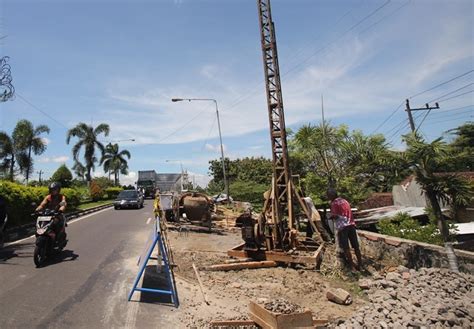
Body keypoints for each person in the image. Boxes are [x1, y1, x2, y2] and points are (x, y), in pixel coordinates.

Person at [326, 188, 362, 271]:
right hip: (351, 225)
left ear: (331, 196)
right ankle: (360, 264)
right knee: (356, 247)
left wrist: (330, 217)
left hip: (343, 227)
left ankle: (352, 266)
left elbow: (335, 215)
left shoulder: (334, 203)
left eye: (328, 196)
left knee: (346, 248)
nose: (328, 197)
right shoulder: (344, 201)